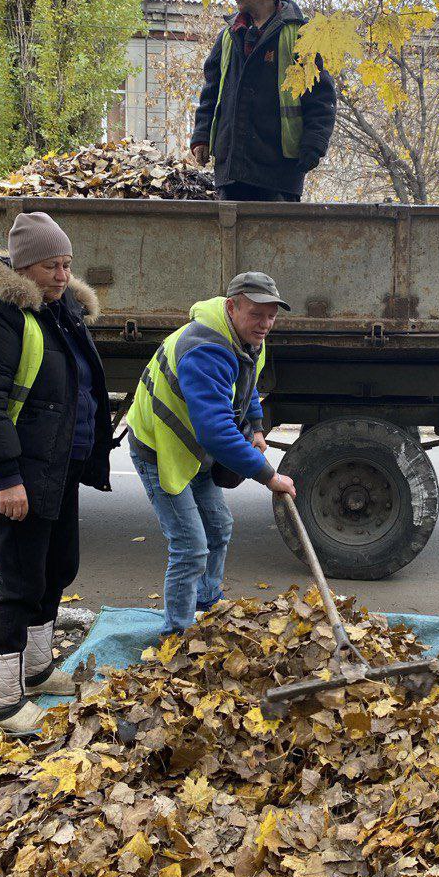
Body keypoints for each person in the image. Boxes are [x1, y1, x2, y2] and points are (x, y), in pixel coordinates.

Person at [0, 213, 112, 735]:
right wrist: (7, 478)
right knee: (18, 584)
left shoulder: (58, 311)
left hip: (56, 468)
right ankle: (1, 704)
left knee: (58, 568)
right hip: (20, 475)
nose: (62, 275)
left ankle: (35, 673)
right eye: (50, 266)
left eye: (67, 264)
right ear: (23, 266)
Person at [125, 272, 297, 636]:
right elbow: (217, 432)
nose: (265, 324)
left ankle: (206, 608)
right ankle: (177, 636)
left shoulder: (247, 339)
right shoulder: (207, 348)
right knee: (190, 547)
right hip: (160, 448)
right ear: (232, 307)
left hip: (194, 447)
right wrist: (269, 476)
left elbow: (246, 382)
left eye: (271, 315)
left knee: (219, 527)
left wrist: (257, 425)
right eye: (256, 314)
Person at [190, 0, 337, 201]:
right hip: (231, 171)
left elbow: (320, 97)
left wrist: (314, 144)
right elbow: (211, 92)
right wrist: (201, 136)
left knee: (274, 240)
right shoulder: (228, 36)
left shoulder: (299, 34)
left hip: (278, 172)